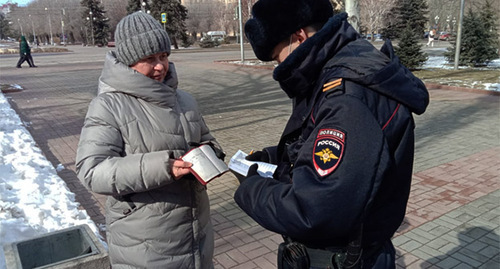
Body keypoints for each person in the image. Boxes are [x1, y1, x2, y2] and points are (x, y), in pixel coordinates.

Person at [233, 0, 429, 268]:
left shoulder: (346, 95)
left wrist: (250, 188)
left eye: (278, 57)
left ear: (299, 36)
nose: (278, 69)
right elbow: (326, 149)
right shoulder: (338, 69)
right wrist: (275, 157)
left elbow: (315, 210)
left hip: (344, 260)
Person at [76, 11, 223, 268]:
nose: (160, 66)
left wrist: (210, 154)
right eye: (149, 59)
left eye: (164, 56)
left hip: (196, 232)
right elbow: (92, 170)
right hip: (145, 242)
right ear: (129, 61)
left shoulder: (185, 100)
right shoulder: (108, 106)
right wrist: (164, 167)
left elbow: (208, 139)